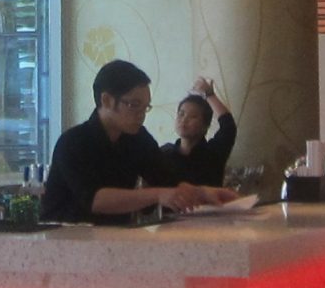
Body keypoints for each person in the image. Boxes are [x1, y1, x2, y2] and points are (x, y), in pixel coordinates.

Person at [42, 59, 237, 223]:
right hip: (63, 240)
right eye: (134, 105)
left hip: (114, 239)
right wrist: (158, 194)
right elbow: (95, 199)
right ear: (107, 100)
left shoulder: (137, 138)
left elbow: (167, 180)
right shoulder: (73, 142)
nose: (141, 115)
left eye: (145, 108)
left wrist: (203, 193)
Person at [150, 76, 237, 189]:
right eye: (181, 114)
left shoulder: (213, 152)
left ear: (206, 125)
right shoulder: (165, 152)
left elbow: (228, 126)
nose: (184, 120)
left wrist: (210, 95)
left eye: (193, 116)